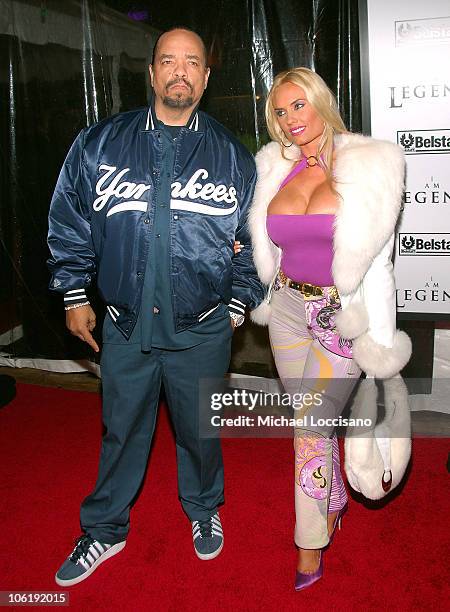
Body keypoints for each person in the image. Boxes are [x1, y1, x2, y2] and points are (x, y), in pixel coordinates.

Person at [47, 27, 264, 586]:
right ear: (151, 71)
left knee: (200, 432)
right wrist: (74, 293)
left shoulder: (233, 157)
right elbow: (68, 221)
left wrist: (238, 306)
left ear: (207, 77)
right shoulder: (99, 143)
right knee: (121, 431)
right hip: (124, 327)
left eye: (192, 62)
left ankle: (203, 511)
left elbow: (258, 245)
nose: (180, 71)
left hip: (203, 330)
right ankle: (104, 530)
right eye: (168, 60)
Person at [248, 67, 411, 590]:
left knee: (310, 430)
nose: (290, 119)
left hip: (339, 317)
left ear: (321, 102)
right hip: (287, 312)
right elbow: (271, 244)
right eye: (280, 111)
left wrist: (381, 347)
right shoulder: (274, 166)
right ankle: (331, 495)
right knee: (307, 423)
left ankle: (309, 543)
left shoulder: (372, 163)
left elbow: (381, 267)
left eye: (299, 105)